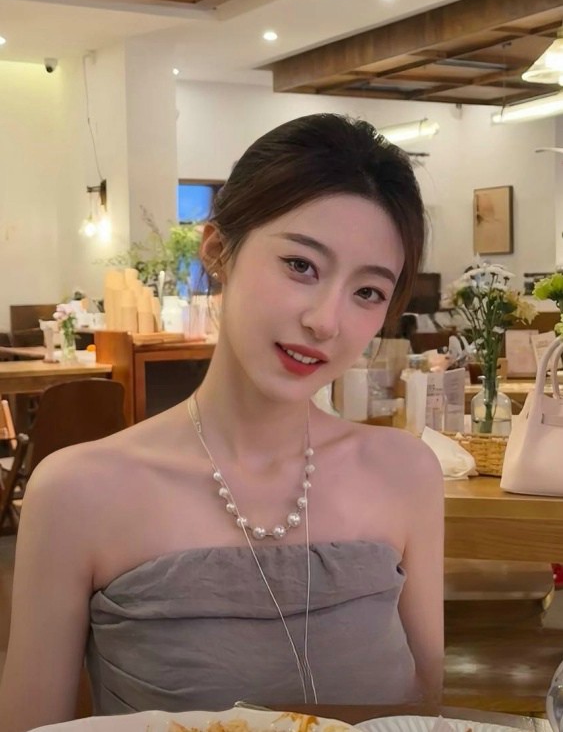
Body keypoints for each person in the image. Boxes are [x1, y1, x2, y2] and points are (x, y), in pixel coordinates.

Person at [0, 113, 444, 731]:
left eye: (367, 292)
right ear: (217, 251)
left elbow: (424, 711)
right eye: (301, 265)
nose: (326, 321)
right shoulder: (79, 491)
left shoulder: (406, 472)